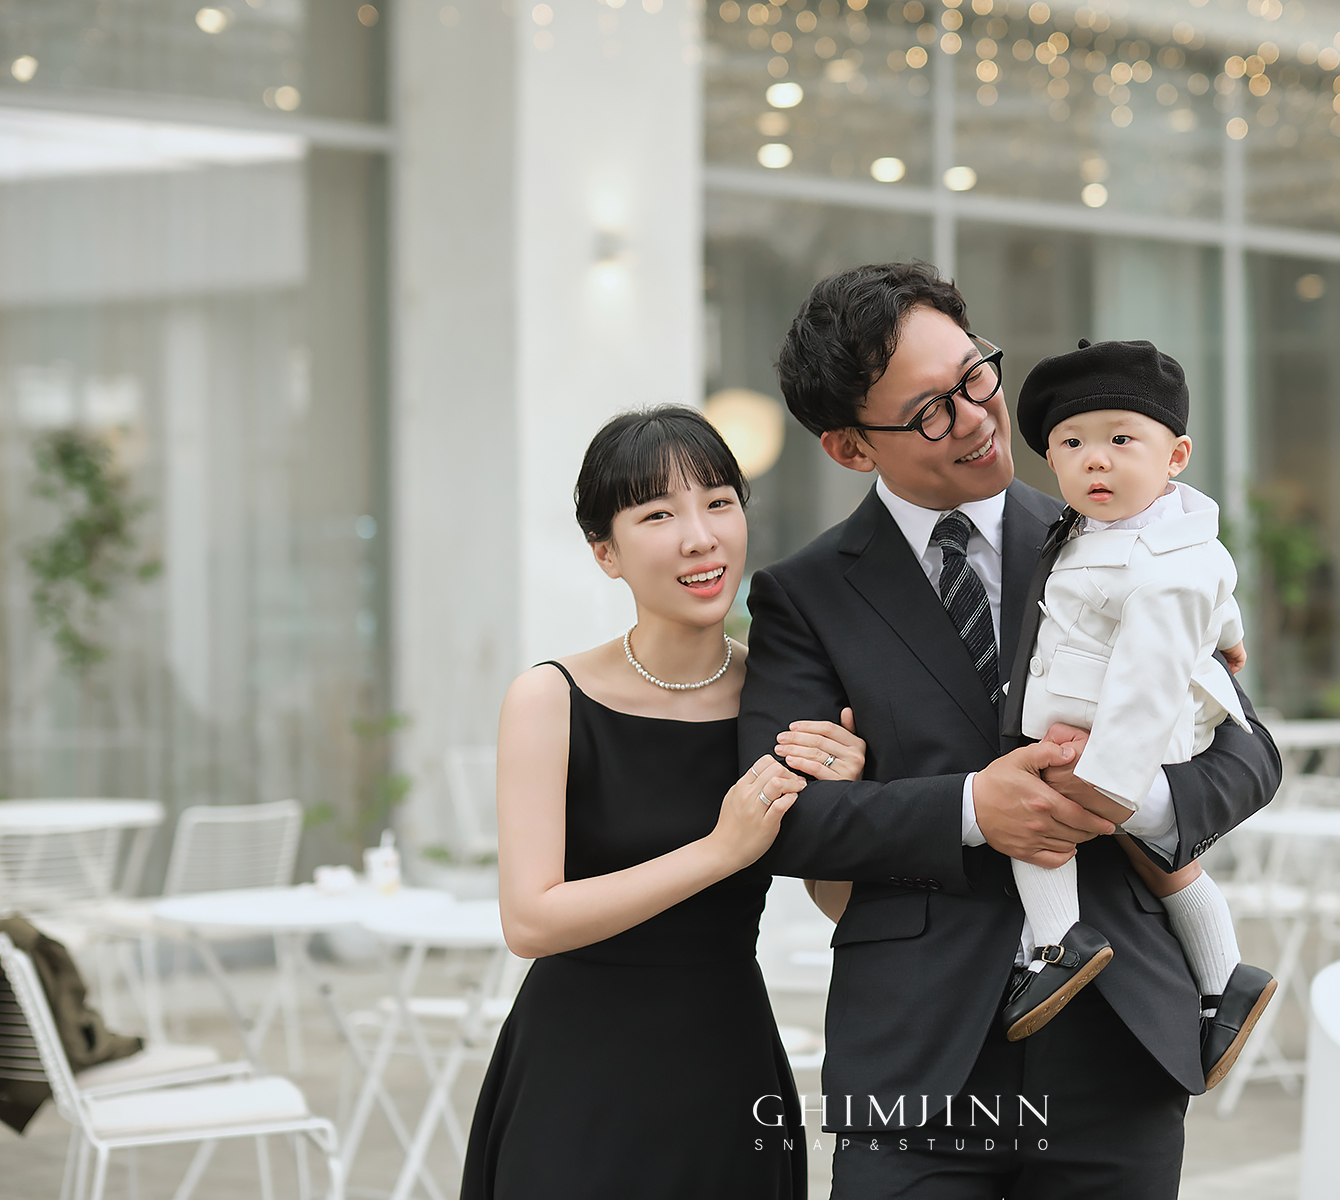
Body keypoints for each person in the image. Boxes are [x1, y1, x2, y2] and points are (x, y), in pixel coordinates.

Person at [739, 262, 1283, 1198]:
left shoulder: (1129, 535)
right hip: (916, 1064)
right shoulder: (804, 596)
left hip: (1121, 1043)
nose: (978, 416)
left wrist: (1135, 802)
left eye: (975, 375)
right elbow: (784, 819)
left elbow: (1249, 753)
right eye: (930, 412)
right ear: (850, 448)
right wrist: (969, 808)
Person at [461, 406, 865, 1200]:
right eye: (657, 515)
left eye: (718, 503)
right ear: (605, 552)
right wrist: (719, 851)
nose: (699, 538)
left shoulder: (786, 697)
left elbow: (841, 906)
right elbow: (531, 921)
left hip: (727, 1070)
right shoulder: (550, 698)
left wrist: (850, 810)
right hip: (576, 1080)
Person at [992, 337, 1276, 1091]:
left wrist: (1106, 782)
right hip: (1105, 719)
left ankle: (1058, 942)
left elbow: (1148, 682)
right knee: (1168, 866)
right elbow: (1221, 590)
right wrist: (1232, 639)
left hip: (1126, 733)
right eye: (1072, 444)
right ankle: (1226, 980)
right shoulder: (1126, 530)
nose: (1096, 460)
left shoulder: (1159, 564)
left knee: (1036, 820)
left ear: (1175, 456)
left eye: (1122, 441)